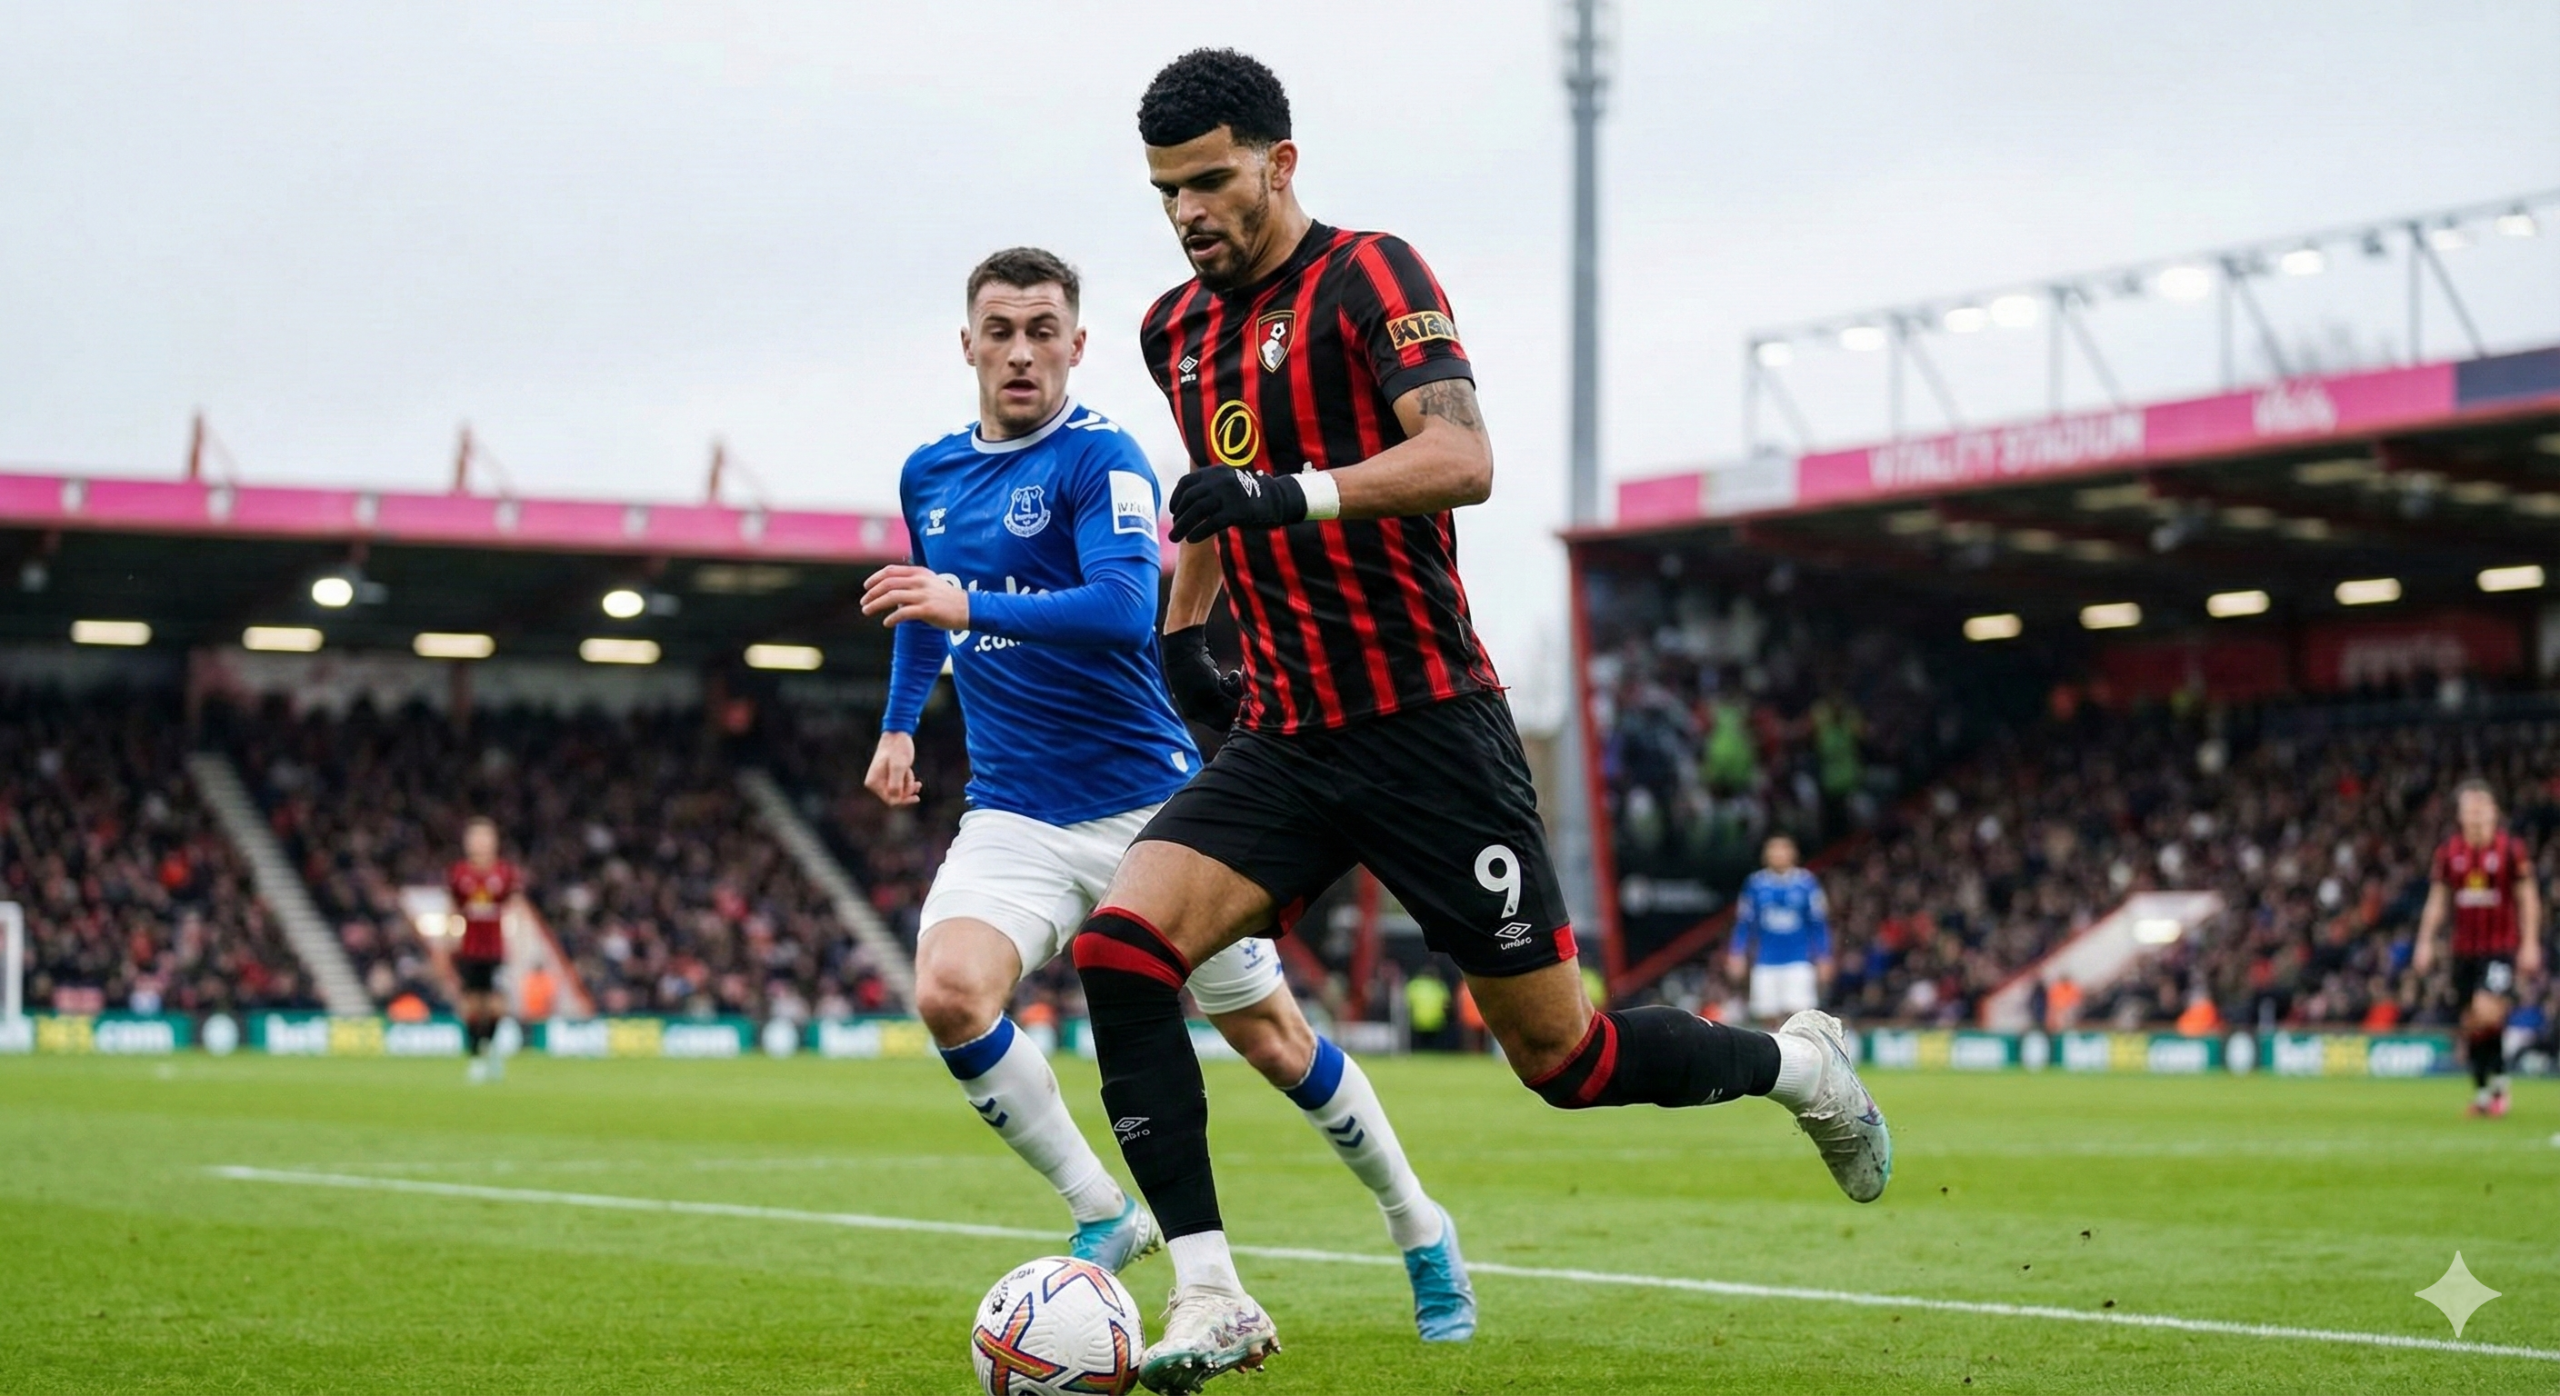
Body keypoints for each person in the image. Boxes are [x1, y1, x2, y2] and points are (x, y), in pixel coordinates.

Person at [1070, 50, 1892, 1392]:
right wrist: (1185, 629)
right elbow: (1212, 486)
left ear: (1281, 162)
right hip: (1287, 734)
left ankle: (1797, 1067)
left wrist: (1290, 498)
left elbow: (1465, 458)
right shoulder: (1176, 327)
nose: (1189, 214)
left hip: (1427, 727)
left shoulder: (1372, 276)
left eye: (1212, 181)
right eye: (1168, 191)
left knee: (1565, 1059)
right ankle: (1210, 1295)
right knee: (1120, 952)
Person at [859, 246, 1472, 1342]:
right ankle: (1105, 1214)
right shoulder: (930, 473)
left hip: (1152, 812)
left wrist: (965, 600)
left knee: (1277, 1043)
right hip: (1013, 810)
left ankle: (1418, 1224)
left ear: (1076, 345)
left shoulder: (1106, 458)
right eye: (999, 329)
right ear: (967, 344)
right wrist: (903, 723)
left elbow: (1118, 607)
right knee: (950, 991)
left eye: (1043, 329)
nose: (1020, 351)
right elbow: (922, 604)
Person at [2412, 778, 2544, 1117]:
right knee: (2473, 1022)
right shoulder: (2449, 853)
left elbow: (2527, 898)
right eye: (2469, 809)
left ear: (2494, 811)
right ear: (2460, 815)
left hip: (2499, 947)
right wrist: (2425, 942)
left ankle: (2499, 1086)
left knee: (2487, 1010)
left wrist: (2530, 942)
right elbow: (2438, 901)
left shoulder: (2510, 850)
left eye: (2482, 808)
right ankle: (2487, 1090)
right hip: (2463, 950)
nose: (2476, 815)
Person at [446, 817, 524, 1083]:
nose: (480, 842)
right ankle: (477, 1056)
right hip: (469, 948)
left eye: (485, 837)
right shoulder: (459, 873)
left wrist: (515, 936)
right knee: (471, 1003)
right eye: (475, 837)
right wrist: (450, 937)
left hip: (495, 948)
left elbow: (514, 905)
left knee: (496, 1005)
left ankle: (489, 1049)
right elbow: (454, 908)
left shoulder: (504, 872)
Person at [1726, 835, 1833, 1026]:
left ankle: (1799, 1055)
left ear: (1793, 854)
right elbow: (1744, 922)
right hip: (1766, 959)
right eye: (1773, 850)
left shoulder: (1806, 883)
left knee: (1800, 1014)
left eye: (1783, 850)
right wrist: (1737, 951)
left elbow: (1819, 923)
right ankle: (1775, 1053)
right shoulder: (1756, 884)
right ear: (1765, 855)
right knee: (1766, 1013)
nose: (1778, 855)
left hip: (1798, 959)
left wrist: (1824, 955)